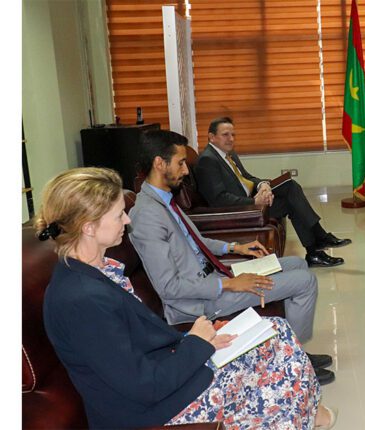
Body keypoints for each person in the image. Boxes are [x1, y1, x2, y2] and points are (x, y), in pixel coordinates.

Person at [39, 167, 337, 429]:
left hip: (169, 375)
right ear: (89, 227)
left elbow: (140, 343)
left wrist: (199, 337)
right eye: (119, 215)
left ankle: (305, 414)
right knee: (273, 355)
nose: (127, 220)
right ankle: (305, 415)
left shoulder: (98, 271)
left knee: (275, 331)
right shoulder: (81, 300)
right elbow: (144, 385)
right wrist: (197, 343)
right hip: (158, 408)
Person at [128, 130, 335, 385]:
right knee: (305, 281)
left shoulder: (165, 200)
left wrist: (236, 248)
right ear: (160, 163)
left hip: (214, 277)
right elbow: (169, 287)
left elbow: (196, 243)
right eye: (180, 163)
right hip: (199, 301)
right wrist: (230, 284)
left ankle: (293, 350)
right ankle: (296, 360)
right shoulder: (147, 216)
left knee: (297, 263)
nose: (186, 170)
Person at [195, 117, 351, 268]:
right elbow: (219, 199)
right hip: (241, 210)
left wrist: (263, 185)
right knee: (291, 195)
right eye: (225, 135)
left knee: (290, 188)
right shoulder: (207, 160)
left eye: (233, 135)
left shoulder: (228, 154)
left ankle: (314, 252)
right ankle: (319, 242)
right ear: (212, 137)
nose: (231, 139)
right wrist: (254, 202)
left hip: (250, 199)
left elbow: (246, 177)